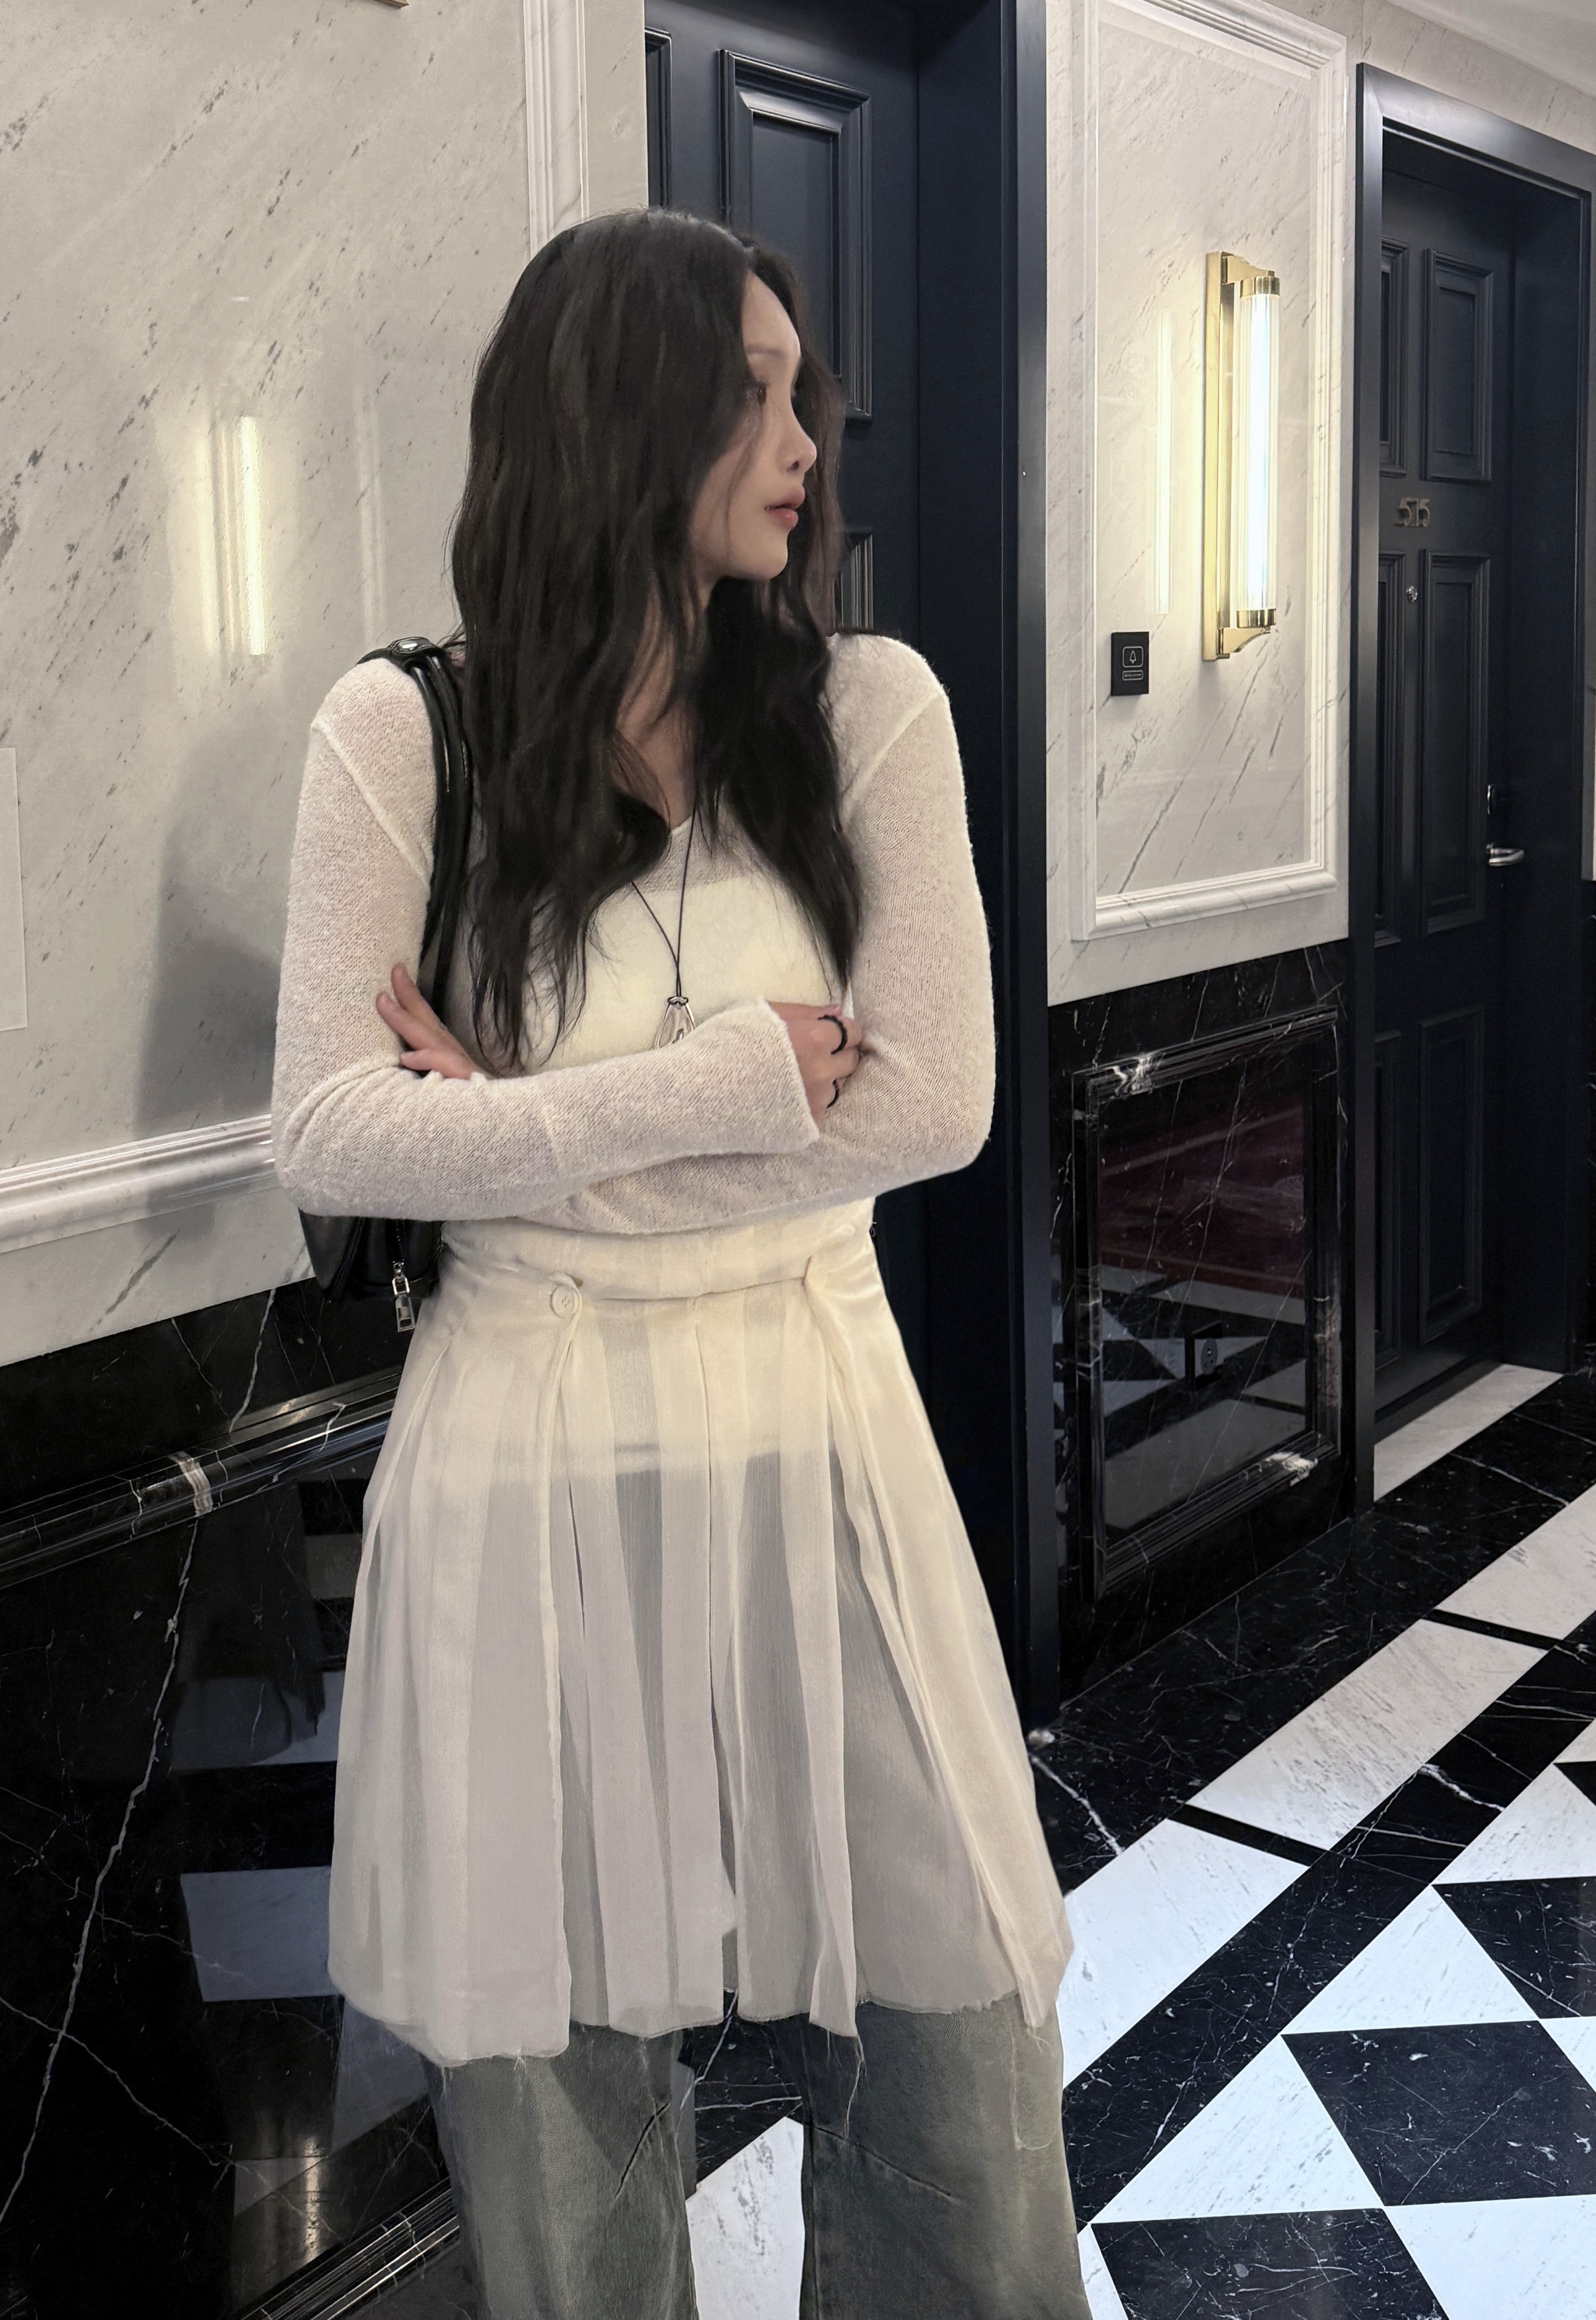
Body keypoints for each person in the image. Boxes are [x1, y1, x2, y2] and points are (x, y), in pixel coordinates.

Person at [271, 208, 1083, 2317]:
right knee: (557, 2096)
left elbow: (933, 1108)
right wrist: (724, 1086)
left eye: (806, 391)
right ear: (611, 415)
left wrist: (518, 1140)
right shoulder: (405, 732)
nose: (807, 439)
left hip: (821, 1415)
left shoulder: (870, 710)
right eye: (753, 391)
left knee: (959, 2049)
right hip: (525, 1447)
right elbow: (332, 1130)